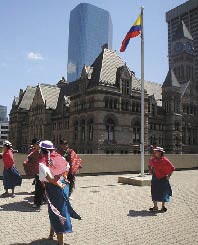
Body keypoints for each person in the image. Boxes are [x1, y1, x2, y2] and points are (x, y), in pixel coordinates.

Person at [38, 140, 81, 245]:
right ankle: (51, 234)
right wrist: (64, 177)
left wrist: (57, 184)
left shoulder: (43, 162)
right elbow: (67, 166)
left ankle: (60, 243)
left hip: (54, 189)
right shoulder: (59, 157)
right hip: (63, 186)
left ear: (43, 150)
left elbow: (49, 177)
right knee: (55, 212)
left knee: (56, 214)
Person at [148, 146, 175, 212]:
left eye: (156, 151)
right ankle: (155, 206)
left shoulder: (165, 160)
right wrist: (150, 170)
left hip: (163, 178)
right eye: (154, 151)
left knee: (163, 192)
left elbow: (172, 168)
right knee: (154, 191)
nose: (155, 152)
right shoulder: (152, 159)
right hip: (155, 177)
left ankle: (163, 207)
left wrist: (169, 176)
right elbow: (149, 165)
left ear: (160, 153)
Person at [23, 138, 45, 208]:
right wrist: (26, 162)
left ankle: (40, 201)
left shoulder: (44, 151)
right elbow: (29, 157)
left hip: (44, 171)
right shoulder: (35, 151)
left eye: (35, 144)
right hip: (38, 171)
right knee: (39, 187)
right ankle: (39, 202)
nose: (34, 146)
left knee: (42, 187)